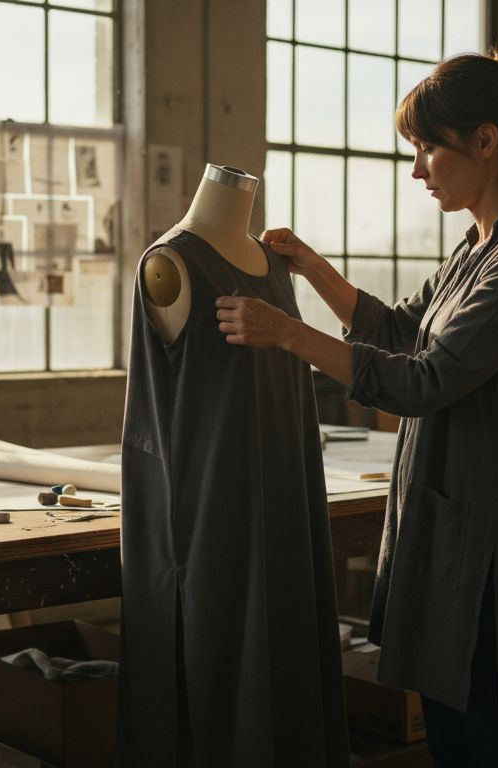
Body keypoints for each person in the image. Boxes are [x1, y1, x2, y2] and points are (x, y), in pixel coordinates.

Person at [215, 38, 498, 767]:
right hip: (456, 523)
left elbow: (424, 380)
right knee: (452, 719)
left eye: (427, 150)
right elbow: (401, 329)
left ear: (485, 142)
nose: (416, 170)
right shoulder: (477, 247)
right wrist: (311, 268)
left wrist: (288, 333)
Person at [119, 164, 348, 766]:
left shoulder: (275, 266)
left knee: (287, 648)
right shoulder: (170, 264)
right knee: (224, 664)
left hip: (287, 492)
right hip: (211, 503)